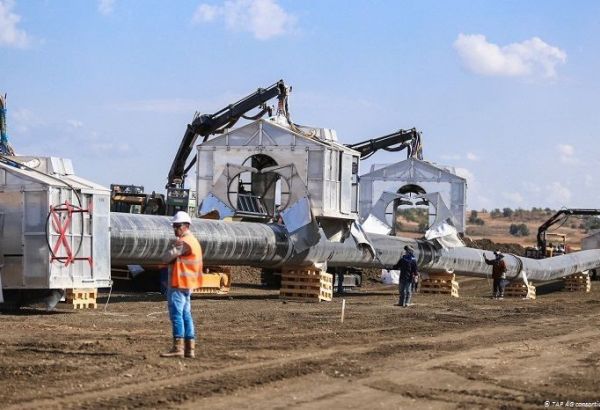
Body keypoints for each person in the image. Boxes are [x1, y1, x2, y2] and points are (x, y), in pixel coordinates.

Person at [160, 211, 203, 358]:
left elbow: (167, 257)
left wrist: (168, 254)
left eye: (177, 226)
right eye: (174, 226)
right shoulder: (194, 241)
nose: (175, 229)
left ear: (185, 226)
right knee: (186, 315)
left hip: (179, 283)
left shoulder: (184, 242)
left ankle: (178, 347)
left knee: (176, 315)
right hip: (187, 284)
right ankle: (189, 348)